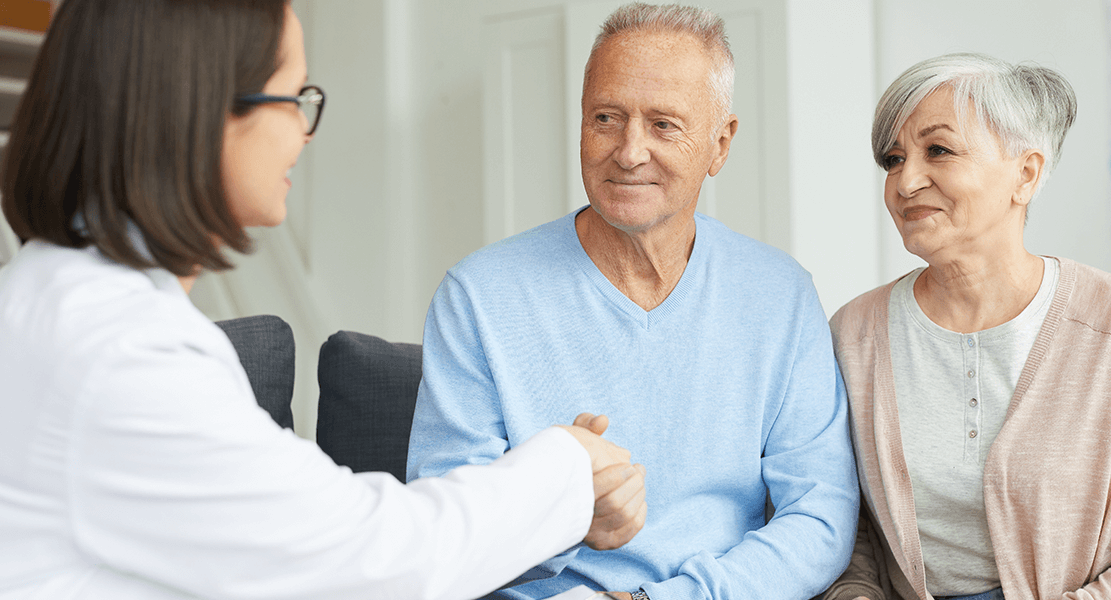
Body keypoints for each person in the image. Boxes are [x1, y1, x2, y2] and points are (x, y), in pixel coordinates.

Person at [0, 1, 646, 598]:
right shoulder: (123, 355)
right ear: (200, 111)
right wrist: (566, 463)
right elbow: (367, 561)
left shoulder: (59, 299)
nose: (304, 133)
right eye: (294, 97)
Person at [406, 3, 859, 599]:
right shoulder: (478, 298)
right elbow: (443, 538)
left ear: (720, 144)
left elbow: (820, 518)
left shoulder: (781, 295)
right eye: (606, 117)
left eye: (664, 124)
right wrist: (560, 504)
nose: (628, 150)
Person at [821, 53, 1111, 600]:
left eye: (939, 150)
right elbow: (845, 533)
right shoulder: (853, 336)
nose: (905, 181)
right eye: (893, 158)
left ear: (1026, 174)